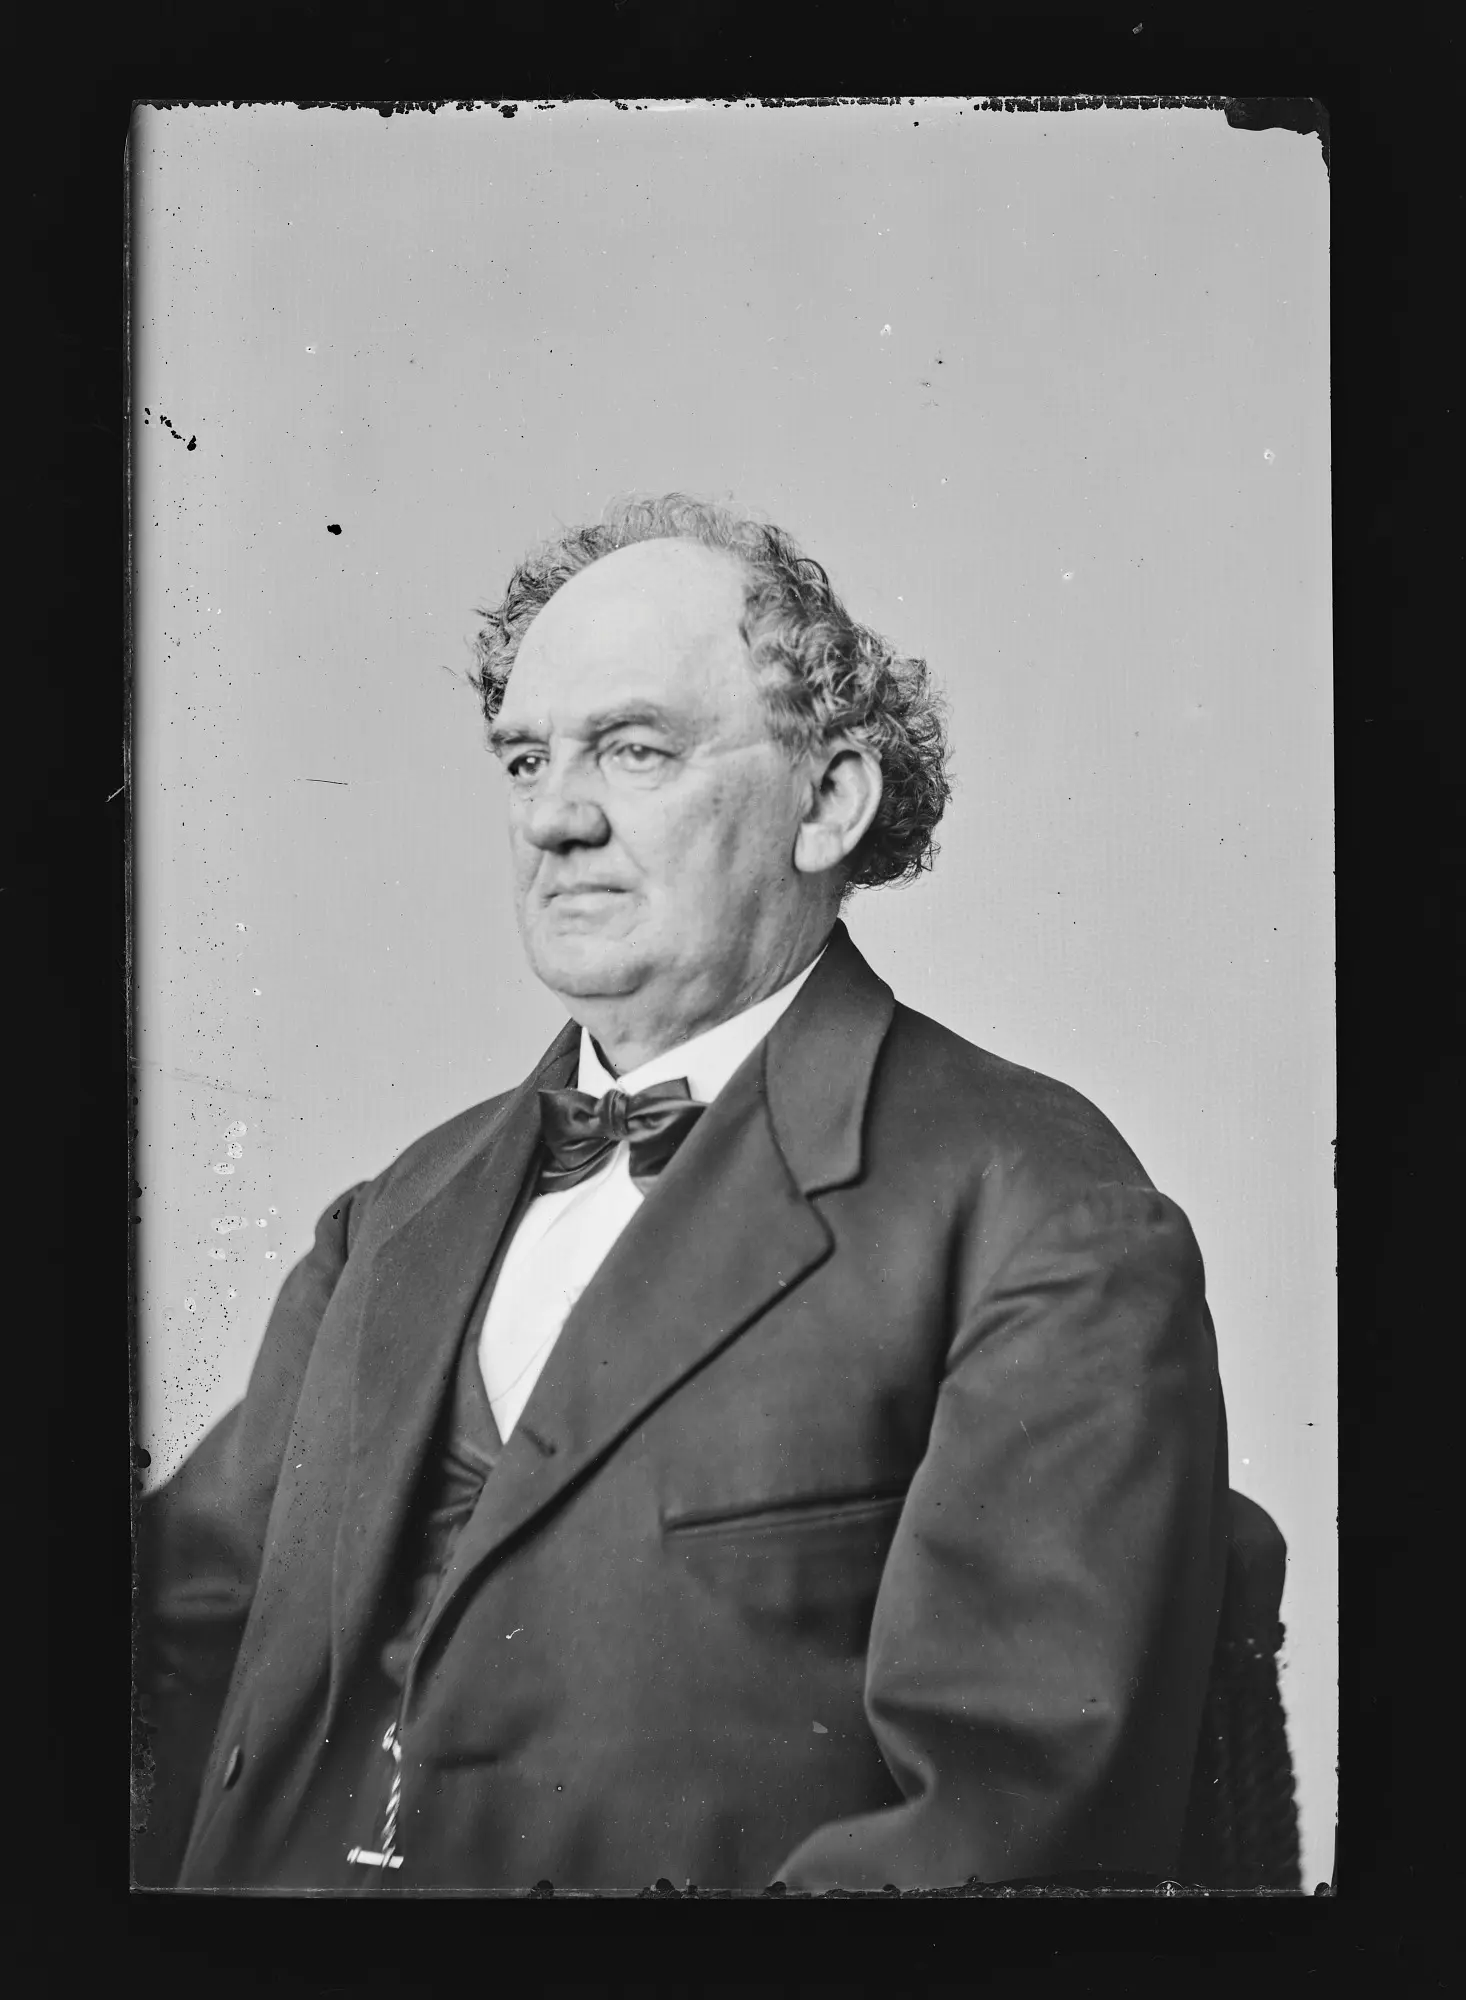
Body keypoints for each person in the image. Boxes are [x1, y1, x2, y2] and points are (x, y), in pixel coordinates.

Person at [133, 494, 1229, 1893]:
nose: (554, 816)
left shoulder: (1038, 1209)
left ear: (828, 802)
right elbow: (162, 1644)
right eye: (525, 758)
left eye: (634, 749)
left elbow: (1003, 1827)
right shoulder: (395, 1211)